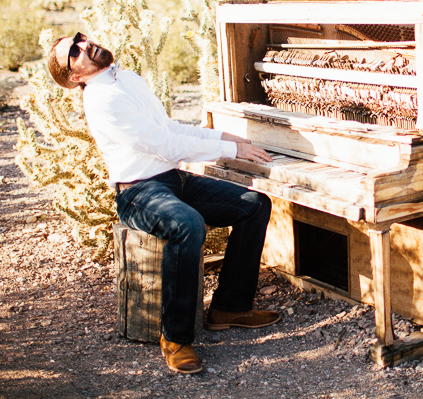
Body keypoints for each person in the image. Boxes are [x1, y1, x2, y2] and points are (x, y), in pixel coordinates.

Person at [47, 32, 280, 374]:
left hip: (172, 179)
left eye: (80, 38)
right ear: (74, 77)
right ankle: (176, 338)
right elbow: (165, 145)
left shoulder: (126, 78)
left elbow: (168, 128)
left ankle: (229, 307)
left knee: (253, 203)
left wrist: (223, 137)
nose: (84, 44)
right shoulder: (100, 100)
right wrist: (231, 150)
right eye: (74, 51)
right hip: (138, 192)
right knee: (187, 225)